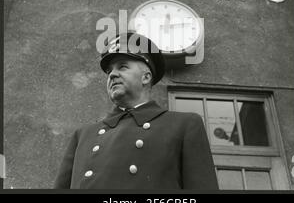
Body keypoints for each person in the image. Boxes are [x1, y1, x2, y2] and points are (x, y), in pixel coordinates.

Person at [54, 32, 219, 189]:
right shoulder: (83, 135)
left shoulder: (183, 125)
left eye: (123, 67)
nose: (112, 75)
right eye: (109, 71)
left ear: (146, 77)